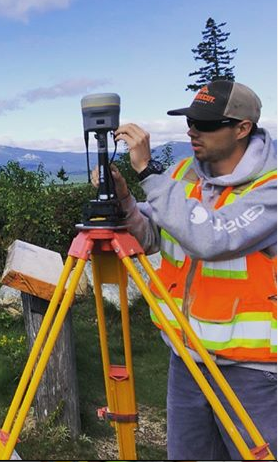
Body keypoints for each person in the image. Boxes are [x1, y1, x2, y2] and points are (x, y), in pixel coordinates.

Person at [95, 79, 276, 460]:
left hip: (252, 370)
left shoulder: (270, 188)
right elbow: (150, 236)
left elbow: (209, 237)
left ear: (242, 129)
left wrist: (147, 173)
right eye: (190, 121)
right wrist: (125, 198)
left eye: (206, 124)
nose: (193, 130)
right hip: (186, 359)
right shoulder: (181, 176)